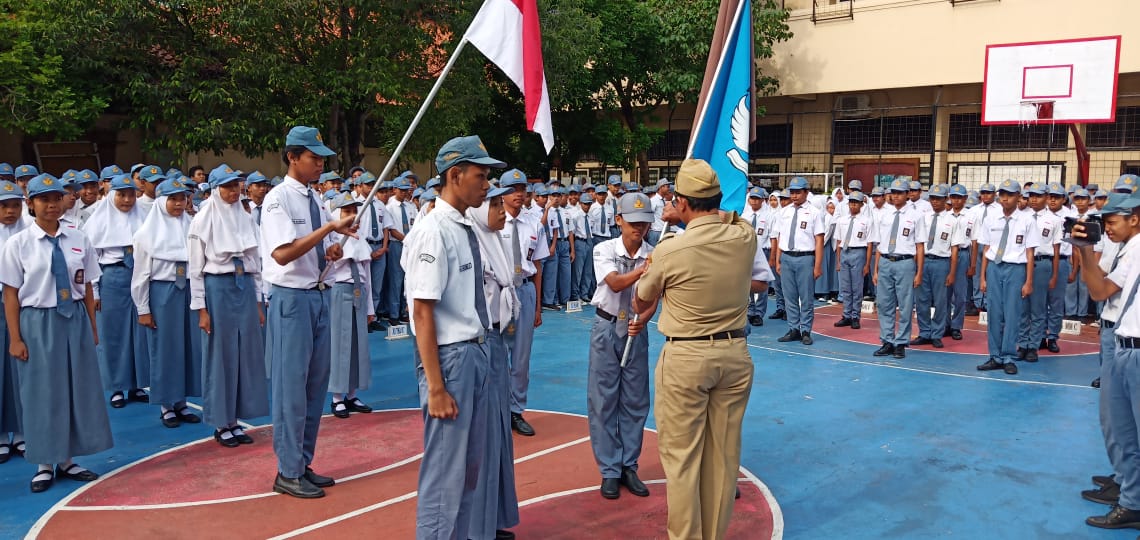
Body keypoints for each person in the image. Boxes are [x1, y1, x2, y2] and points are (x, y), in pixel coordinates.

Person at [634, 158, 756, 540]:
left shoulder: (672, 250)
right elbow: (733, 219)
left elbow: (641, 301)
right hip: (734, 355)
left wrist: (664, 246)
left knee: (683, 461)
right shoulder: (743, 238)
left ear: (682, 203)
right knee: (722, 459)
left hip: (687, 357)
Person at [402, 135, 505, 540]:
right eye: (481, 175)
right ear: (454, 174)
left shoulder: (462, 225)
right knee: (446, 473)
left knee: (469, 470)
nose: (486, 184)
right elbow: (422, 312)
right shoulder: (433, 231)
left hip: (475, 353)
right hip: (451, 360)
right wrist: (436, 387)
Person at [260, 127, 356, 499]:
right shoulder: (277, 200)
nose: (320, 164)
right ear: (292, 157)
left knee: (315, 386)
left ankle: (302, 462)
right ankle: (287, 470)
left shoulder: (314, 200)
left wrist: (332, 246)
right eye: (313, 157)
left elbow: (319, 250)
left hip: (317, 295)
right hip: (291, 300)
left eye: (321, 158)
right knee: (290, 388)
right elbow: (283, 254)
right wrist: (329, 228)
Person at [0, 174, 112, 492]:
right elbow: (10, 294)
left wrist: (91, 327)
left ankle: (68, 459)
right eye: (43, 199)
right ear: (30, 204)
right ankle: (44, 462)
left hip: (73, 318)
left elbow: (87, 285)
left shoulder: (77, 238)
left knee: (76, 388)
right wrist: (16, 338)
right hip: (38, 320)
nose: (51, 205)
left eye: (56, 198)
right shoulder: (18, 244)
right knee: (42, 392)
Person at [1074, 191, 1140, 530]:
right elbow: (1101, 289)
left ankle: (1132, 497)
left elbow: (1099, 291)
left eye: (1113, 220)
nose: (1108, 226)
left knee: (1128, 427)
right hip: (1123, 339)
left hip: (1134, 344)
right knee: (1119, 425)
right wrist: (1086, 250)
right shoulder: (1129, 247)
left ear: (1135, 218)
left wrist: (1085, 252)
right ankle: (1129, 491)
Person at [189, 165, 268, 448]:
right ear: (215, 189)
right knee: (220, 354)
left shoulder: (245, 218)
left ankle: (236, 419)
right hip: (218, 287)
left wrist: (259, 302)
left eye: (236, 186)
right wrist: (201, 309)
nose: (233, 192)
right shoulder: (202, 219)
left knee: (245, 353)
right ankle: (222, 422)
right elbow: (195, 270)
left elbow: (256, 264)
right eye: (227, 187)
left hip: (243, 287)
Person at [587, 191, 656, 501]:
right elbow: (614, 283)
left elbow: (654, 296)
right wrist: (645, 269)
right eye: (633, 223)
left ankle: (629, 464)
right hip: (607, 326)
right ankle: (609, 469)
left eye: (644, 223)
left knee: (635, 399)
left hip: (635, 328)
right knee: (603, 399)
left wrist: (644, 318)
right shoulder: (604, 250)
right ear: (618, 221)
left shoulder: (654, 252)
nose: (638, 229)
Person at [467, 183, 522, 540]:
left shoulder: (496, 241)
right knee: (481, 438)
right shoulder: (470, 241)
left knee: (499, 432)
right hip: (481, 343)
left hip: (498, 341)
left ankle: (491, 520)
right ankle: (474, 527)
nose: (504, 212)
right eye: (497, 206)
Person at [132, 178, 202, 429]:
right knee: (164, 348)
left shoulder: (192, 226)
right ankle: (166, 405)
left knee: (187, 347)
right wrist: (143, 308)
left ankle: (181, 401)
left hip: (188, 290)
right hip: (162, 291)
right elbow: (140, 274)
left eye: (182, 198)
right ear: (161, 201)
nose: (178, 203)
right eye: (172, 199)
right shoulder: (145, 234)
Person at [83, 174, 150, 408]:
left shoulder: (144, 218)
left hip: (139, 275)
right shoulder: (97, 222)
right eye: (121, 194)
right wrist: (95, 292)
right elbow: (90, 262)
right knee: (114, 334)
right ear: (112, 195)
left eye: (131, 194)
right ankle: (116, 387)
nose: (127, 200)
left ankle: (137, 384)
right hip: (112, 276)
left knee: (138, 332)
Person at [496, 171, 547, 438]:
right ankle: (497, 408)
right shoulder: (493, 221)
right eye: (512, 189)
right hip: (500, 292)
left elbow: (537, 266)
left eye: (522, 188)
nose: (518, 193)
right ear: (501, 193)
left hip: (524, 291)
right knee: (497, 351)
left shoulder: (534, 223)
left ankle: (516, 409)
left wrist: (537, 305)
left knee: (521, 356)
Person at [977, 179, 1040, 375]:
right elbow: (986, 249)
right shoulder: (991, 219)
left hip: (1015, 269)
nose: (1005, 198)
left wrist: (1028, 281)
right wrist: (983, 277)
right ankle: (994, 356)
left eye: (1010, 194)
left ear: (1019, 197)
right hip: (995, 268)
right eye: (1002, 194)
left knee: (1012, 314)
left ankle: (1008, 356)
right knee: (994, 313)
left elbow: (1030, 252)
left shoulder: (1027, 220)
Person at [871, 178, 927, 359]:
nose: (895, 196)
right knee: (884, 303)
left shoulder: (916, 215)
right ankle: (887, 340)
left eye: (899, 193)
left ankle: (901, 342)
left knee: (905, 304)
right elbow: (879, 244)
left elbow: (919, 245)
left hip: (904, 262)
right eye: (892, 193)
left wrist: (919, 272)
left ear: (907, 194)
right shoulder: (884, 215)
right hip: (886, 261)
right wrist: (876, 269)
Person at [773, 176, 824, 345]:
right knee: (790, 296)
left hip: (805, 258)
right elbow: (781, 236)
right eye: (792, 193)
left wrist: (817, 266)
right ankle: (793, 328)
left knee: (807, 297)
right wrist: (779, 260)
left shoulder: (814, 213)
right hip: (787, 257)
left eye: (797, 192)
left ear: (806, 193)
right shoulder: (785, 212)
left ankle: (806, 330)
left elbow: (819, 240)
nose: (794, 196)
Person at [1015, 183, 1061, 363]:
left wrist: (1055, 275)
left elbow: (1056, 250)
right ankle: (1022, 344)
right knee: (1023, 308)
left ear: (1046, 197)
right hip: (1023, 263)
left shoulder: (1054, 220)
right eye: (1031, 195)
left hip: (1042, 264)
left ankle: (1033, 346)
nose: (1033, 199)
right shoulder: (1021, 217)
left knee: (1038, 308)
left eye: (1038, 196)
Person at [0, 181, 28, 465]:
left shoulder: (29, 235)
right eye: (4, 205)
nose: (10, 211)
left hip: (22, 306)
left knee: (19, 370)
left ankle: (21, 432)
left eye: (15, 205)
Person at [912, 184, 957, 349]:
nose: (935, 202)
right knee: (921, 299)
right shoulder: (923, 218)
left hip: (941, 262)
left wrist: (952, 272)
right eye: (932, 198)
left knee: (940, 301)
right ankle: (924, 332)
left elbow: (954, 248)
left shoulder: (952, 220)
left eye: (939, 198)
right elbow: (918, 243)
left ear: (946, 199)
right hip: (924, 261)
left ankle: (937, 333)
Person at [353, 172, 391, 332]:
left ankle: (373, 317)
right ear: (359, 186)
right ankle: (363, 318)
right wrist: (366, 250)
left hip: (379, 247)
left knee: (377, 286)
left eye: (372, 184)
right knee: (364, 285)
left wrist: (383, 247)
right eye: (368, 185)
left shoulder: (379, 204)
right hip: (364, 247)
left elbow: (386, 227)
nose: (371, 188)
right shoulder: (355, 205)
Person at [833, 191, 873, 329]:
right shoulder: (842, 220)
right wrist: (838, 260)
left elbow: (869, 244)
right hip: (845, 252)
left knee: (857, 287)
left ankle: (855, 316)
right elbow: (838, 240)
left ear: (862, 204)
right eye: (851, 202)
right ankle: (846, 315)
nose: (853, 205)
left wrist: (867, 264)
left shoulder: (866, 221)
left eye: (856, 202)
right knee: (845, 287)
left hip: (858, 252)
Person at [944, 184, 973, 341]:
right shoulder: (945, 216)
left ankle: (956, 326)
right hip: (946, 255)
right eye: (953, 197)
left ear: (965, 199)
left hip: (962, 254)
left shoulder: (970, 216)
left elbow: (974, 241)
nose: (955, 200)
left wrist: (972, 264)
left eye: (959, 197)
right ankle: (946, 324)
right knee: (945, 293)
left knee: (960, 294)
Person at [385, 177, 416, 325]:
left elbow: (415, 226)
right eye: (401, 190)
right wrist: (407, 240)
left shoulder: (410, 207)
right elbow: (391, 229)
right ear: (394, 190)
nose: (404, 193)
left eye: (406, 190)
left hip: (410, 245)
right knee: (396, 280)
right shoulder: (389, 208)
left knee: (408, 278)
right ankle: (393, 313)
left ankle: (405, 311)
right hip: (397, 244)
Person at [968, 183, 999, 315]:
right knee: (976, 273)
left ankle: (987, 301)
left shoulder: (999, 209)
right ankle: (977, 301)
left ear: (994, 194)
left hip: (992, 244)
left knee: (989, 273)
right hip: (976, 244)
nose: (986, 195)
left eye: (989, 193)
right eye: (983, 193)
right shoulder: (974, 210)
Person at [648, 178, 672, 246]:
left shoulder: (664, 200)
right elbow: (649, 216)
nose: (669, 189)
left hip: (663, 231)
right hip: (655, 232)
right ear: (661, 187)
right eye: (667, 186)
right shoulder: (653, 200)